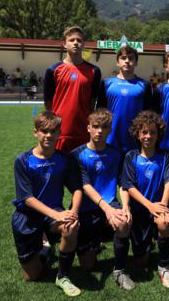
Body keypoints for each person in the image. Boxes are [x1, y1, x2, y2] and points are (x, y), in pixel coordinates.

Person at [10, 112, 83, 297]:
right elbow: (27, 198)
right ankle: (45, 249)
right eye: (44, 131)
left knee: (71, 227)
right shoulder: (23, 160)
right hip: (27, 216)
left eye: (53, 131)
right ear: (36, 132)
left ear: (59, 133)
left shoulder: (65, 160)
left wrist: (73, 212)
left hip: (53, 213)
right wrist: (56, 215)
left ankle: (63, 276)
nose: (49, 135)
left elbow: (77, 189)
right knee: (32, 276)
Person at [70, 109, 135, 290]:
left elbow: (123, 184)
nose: (99, 131)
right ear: (88, 128)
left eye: (104, 127)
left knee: (123, 222)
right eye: (96, 126)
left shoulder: (116, 154)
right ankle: (94, 242)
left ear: (110, 130)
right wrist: (107, 209)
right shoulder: (77, 155)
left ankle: (120, 271)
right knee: (88, 266)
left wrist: (126, 206)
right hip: (85, 208)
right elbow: (85, 186)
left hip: (110, 203)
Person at [121, 111, 169, 288]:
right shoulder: (131, 156)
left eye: (152, 132)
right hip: (139, 209)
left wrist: (164, 206)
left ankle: (164, 266)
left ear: (158, 135)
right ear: (137, 134)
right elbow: (129, 186)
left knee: (164, 223)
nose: (148, 136)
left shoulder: (166, 156)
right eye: (144, 132)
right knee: (141, 262)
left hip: (159, 207)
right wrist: (149, 205)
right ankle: (147, 244)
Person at [44, 26, 102, 153]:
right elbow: (48, 102)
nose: (76, 43)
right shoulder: (53, 70)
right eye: (71, 40)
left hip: (84, 130)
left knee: (81, 165)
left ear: (84, 44)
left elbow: (93, 101)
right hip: (60, 131)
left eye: (79, 40)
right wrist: (53, 124)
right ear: (64, 44)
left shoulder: (94, 71)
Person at [97, 45, 153, 154]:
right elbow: (100, 112)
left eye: (131, 58)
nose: (127, 61)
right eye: (123, 58)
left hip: (135, 138)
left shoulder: (144, 85)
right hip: (110, 137)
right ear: (117, 62)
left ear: (136, 63)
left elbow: (147, 114)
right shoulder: (106, 83)